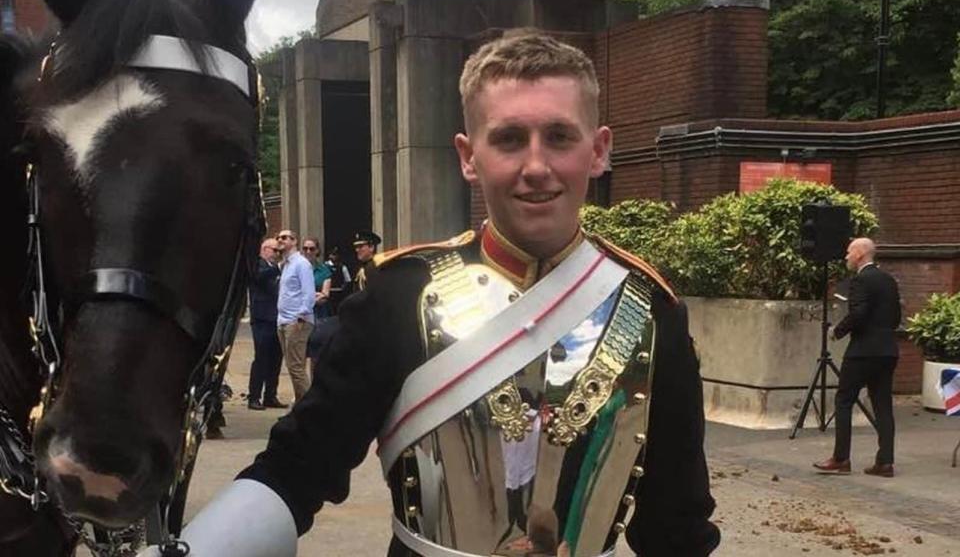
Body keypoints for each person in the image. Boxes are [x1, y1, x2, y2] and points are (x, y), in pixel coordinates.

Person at [142, 32, 719, 557]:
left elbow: (676, 526)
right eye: (510, 139)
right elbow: (300, 467)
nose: (537, 166)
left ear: (598, 150)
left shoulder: (651, 312)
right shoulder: (398, 296)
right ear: (470, 156)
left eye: (560, 137)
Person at [815, 237, 902, 478]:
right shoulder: (889, 280)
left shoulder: (861, 280)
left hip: (863, 351)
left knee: (844, 400)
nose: (846, 257)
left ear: (861, 254)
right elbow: (895, 317)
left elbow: (859, 313)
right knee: (883, 405)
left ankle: (841, 458)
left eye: (849, 252)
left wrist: (838, 331)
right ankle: (885, 462)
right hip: (887, 350)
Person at [246, 238, 287, 411]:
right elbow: (260, 277)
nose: (278, 254)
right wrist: (279, 268)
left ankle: (270, 394)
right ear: (264, 249)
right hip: (262, 318)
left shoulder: (277, 269)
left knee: (276, 358)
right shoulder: (259, 264)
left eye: (279, 252)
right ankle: (254, 396)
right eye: (275, 251)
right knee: (261, 357)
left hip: (277, 317)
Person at [275, 229, 316, 403]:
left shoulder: (301, 264)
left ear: (294, 241)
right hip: (283, 321)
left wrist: (301, 315)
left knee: (297, 368)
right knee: (292, 367)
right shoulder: (286, 264)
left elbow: (308, 292)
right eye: (278, 238)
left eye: (284, 238)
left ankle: (310, 409)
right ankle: (301, 408)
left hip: (296, 321)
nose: (280, 240)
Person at [302, 236, 333, 320]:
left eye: (311, 249)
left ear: (317, 250)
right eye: (305, 249)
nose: (308, 251)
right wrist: (315, 295)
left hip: (319, 313)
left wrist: (306, 298)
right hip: (299, 314)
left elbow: (325, 295)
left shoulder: (324, 270)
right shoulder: (295, 269)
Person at [324, 246, 351, 314]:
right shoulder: (324, 266)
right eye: (332, 254)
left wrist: (343, 288)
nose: (334, 256)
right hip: (328, 293)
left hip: (339, 293)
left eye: (335, 254)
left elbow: (348, 280)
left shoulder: (342, 267)